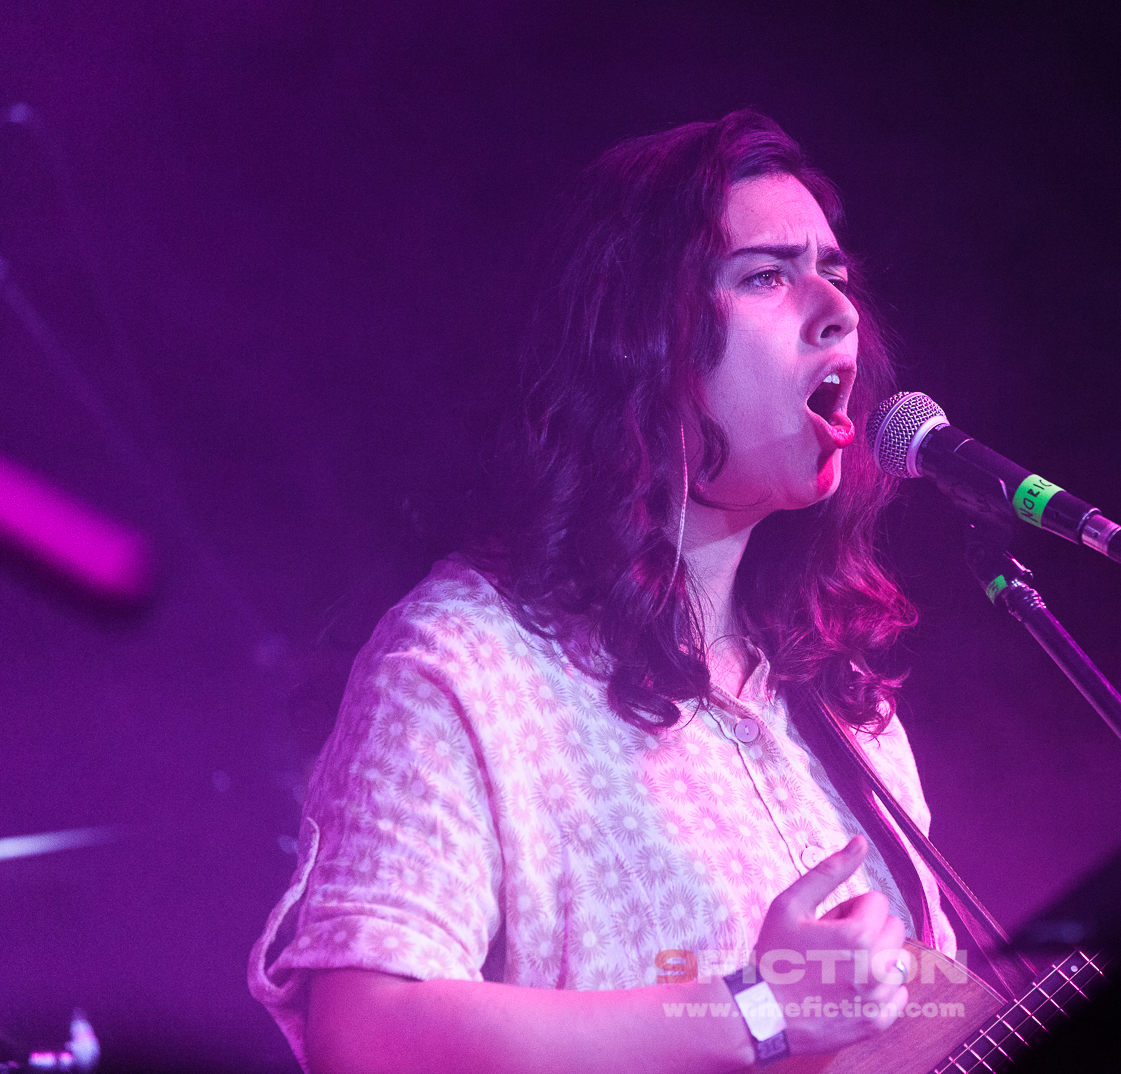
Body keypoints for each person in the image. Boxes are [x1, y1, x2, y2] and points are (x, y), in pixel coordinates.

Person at [248, 110, 956, 1073]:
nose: (839, 309)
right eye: (765, 275)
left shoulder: (840, 700)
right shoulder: (468, 664)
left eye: (835, 271)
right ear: (639, 342)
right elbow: (365, 1038)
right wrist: (754, 1012)